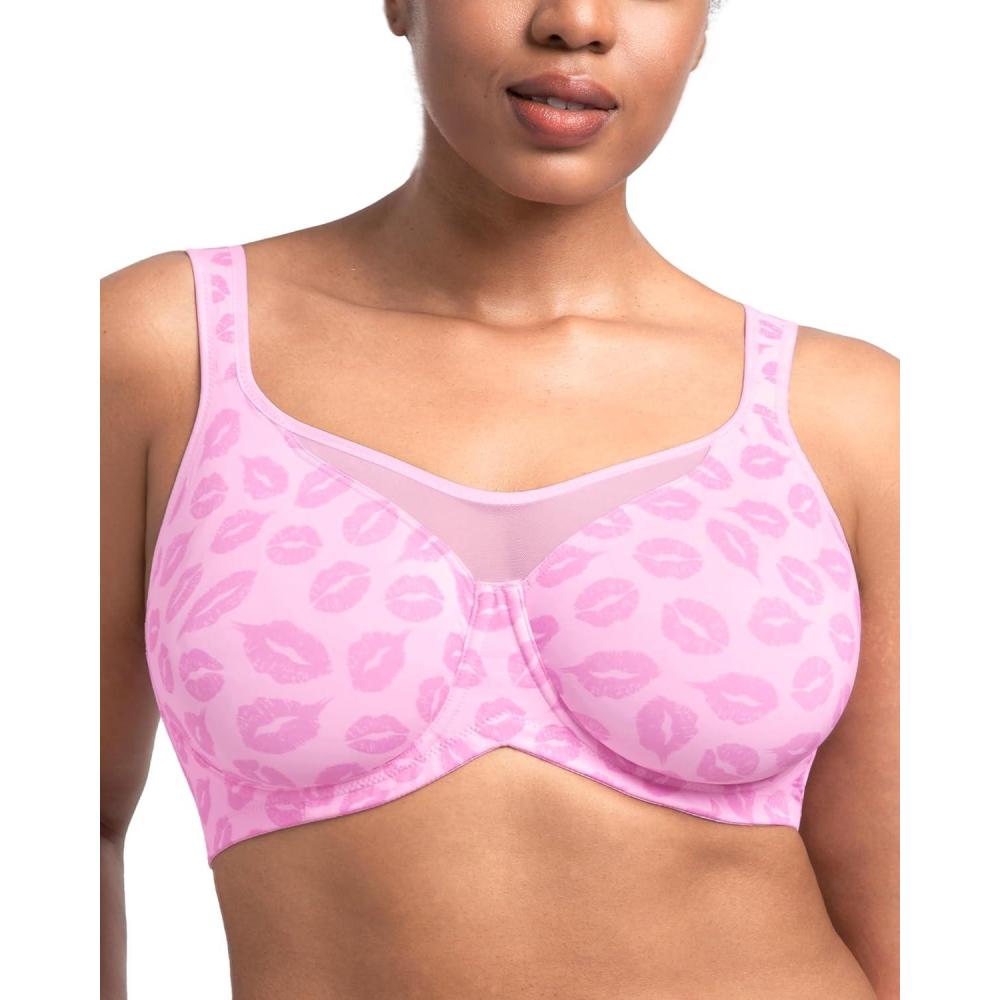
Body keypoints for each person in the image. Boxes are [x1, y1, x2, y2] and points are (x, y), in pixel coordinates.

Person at [100, 1, 899, 997]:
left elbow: (910, 923)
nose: (576, 21)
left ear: (704, 26)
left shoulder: (850, 413)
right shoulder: (162, 350)